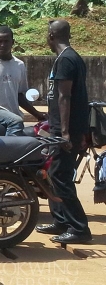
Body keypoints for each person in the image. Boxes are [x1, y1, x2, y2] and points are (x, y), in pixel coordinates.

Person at [35, 19, 92, 244]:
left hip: (65, 131)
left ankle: (79, 228)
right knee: (53, 174)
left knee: (60, 176)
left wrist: (66, 133)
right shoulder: (71, 57)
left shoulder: (66, 60)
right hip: (61, 127)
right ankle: (61, 220)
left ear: (51, 35)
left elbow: (65, 96)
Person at [0, 26, 47, 136]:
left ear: (13, 42)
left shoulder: (19, 65)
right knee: (16, 122)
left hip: (13, 114)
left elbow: (19, 95)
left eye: (6, 41)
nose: (2, 45)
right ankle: (11, 151)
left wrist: (37, 114)